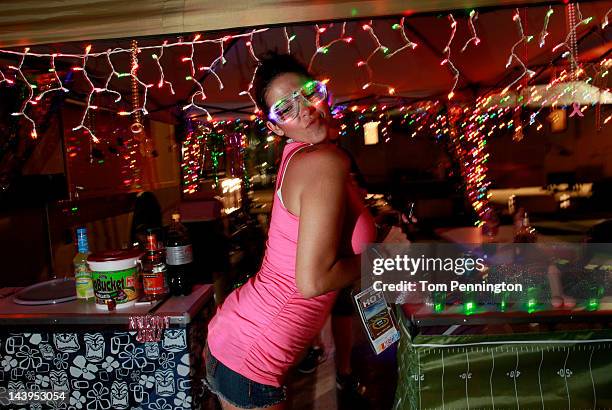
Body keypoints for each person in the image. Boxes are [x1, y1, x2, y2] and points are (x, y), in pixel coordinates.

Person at [204, 53, 376, 409]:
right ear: (275, 128)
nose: (305, 109)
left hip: (240, 338)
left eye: (309, 93)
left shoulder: (307, 153)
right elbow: (311, 282)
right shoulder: (322, 161)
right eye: (285, 109)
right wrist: (381, 261)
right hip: (252, 355)